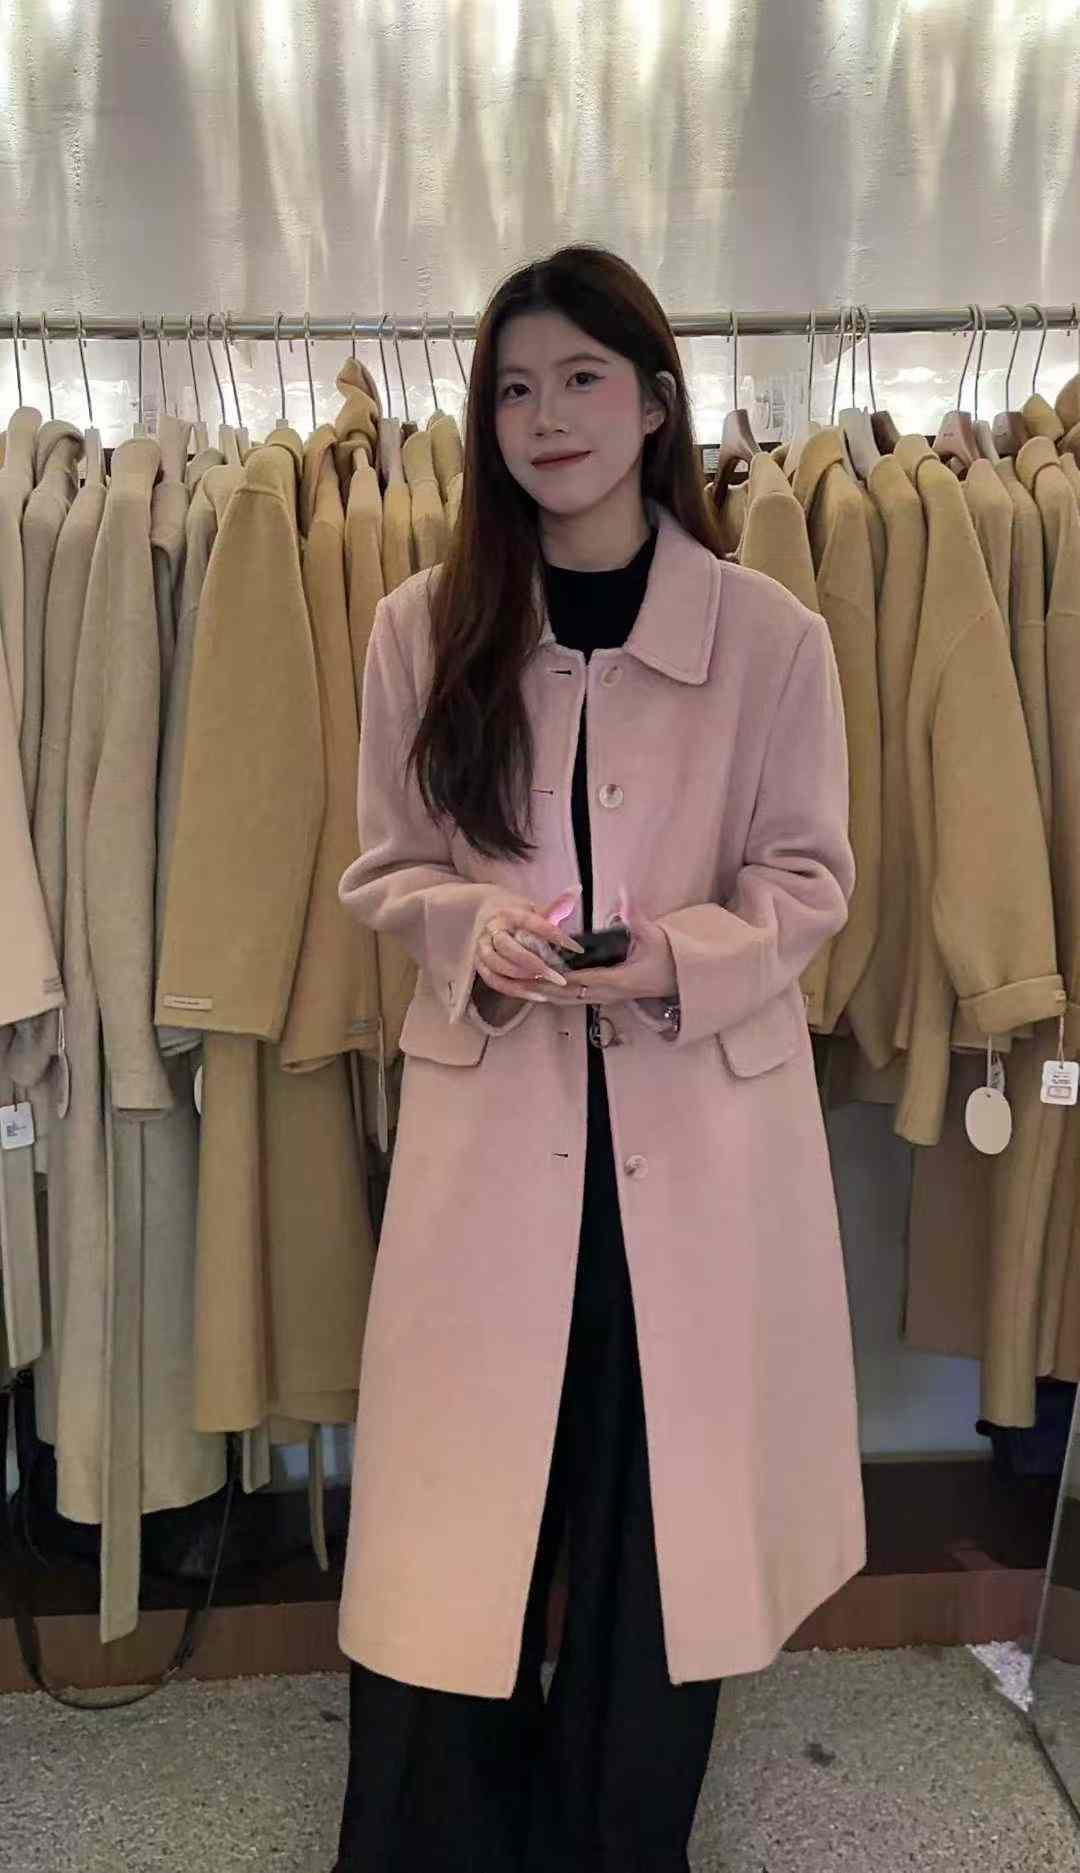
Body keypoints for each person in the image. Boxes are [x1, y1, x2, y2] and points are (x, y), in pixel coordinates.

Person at [332, 245, 866, 1872]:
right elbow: (383, 868)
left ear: (650, 403)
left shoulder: (771, 637)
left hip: (692, 1146)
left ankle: (616, 1842)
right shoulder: (422, 629)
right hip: (497, 1129)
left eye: (580, 379)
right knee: (456, 1526)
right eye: (514, 387)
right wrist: (467, 929)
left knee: (656, 1535)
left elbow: (811, 879)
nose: (545, 417)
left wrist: (678, 958)